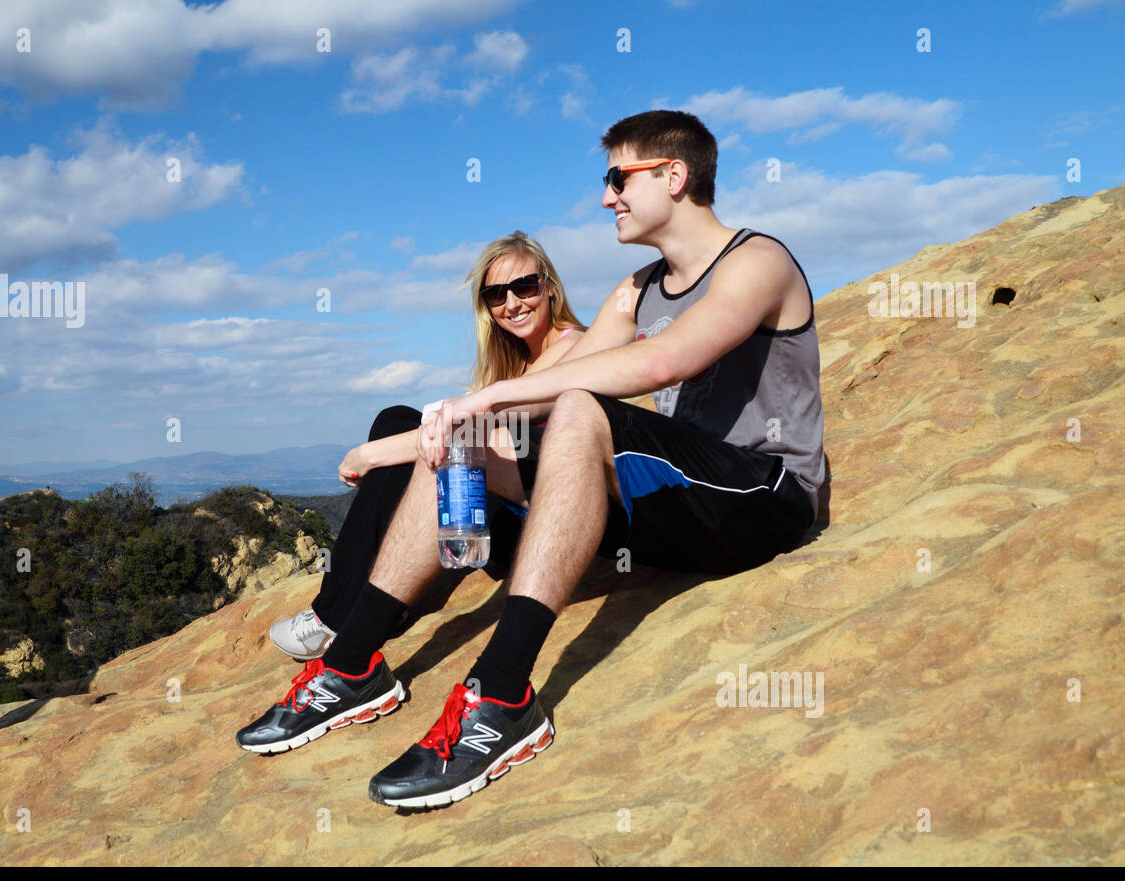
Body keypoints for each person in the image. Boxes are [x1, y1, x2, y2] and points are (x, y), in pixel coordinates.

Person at [237, 110, 826, 810]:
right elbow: (563, 393)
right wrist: (465, 421)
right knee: (470, 443)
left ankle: (504, 695)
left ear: (674, 176)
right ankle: (352, 664)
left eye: (617, 178)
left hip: (764, 497)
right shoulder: (637, 287)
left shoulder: (758, 260)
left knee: (576, 407)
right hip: (676, 508)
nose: (607, 197)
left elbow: (668, 358)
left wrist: (492, 397)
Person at [264, 230, 587, 662]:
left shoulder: (577, 346)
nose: (512, 303)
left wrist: (369, 455)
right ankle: (377, 600)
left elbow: (483, 428)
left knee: (404, 442)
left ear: (549, 285)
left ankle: (335, 620)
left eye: (524, 286)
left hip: (531, 533)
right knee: (396, 419)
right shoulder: (512, 362)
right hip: (483, 520)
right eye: (495, 294)